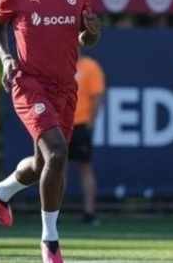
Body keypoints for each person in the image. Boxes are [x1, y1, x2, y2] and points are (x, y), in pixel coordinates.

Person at [0, 0, 101, 263]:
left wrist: (93, 33)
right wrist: (6, 57)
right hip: (29, 83)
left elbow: (86, 38)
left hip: (65, 87)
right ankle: (50, 240)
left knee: (43, 163)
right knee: (59, 153)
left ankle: (1, 191)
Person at [69, 53, 106, 226]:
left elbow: (97, 95)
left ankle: (89, 212)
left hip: (81, 124)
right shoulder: (57, 65)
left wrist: (90, 123)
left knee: (85, 167)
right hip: (59, 124)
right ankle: (53, 212)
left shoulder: (89, 66)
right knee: (56, 168)